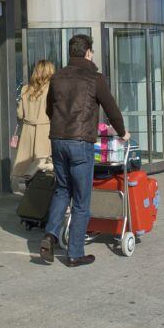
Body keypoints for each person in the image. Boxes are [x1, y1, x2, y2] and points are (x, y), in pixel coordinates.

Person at [39, 34, 128, 267]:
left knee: (61, 190)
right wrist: (122, 132)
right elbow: (111, 107)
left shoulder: (57, 77)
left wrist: (60, 127)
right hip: (81, 142)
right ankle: (75, 253)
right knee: (81, 199)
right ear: (88, 52)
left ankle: (50, 235)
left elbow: (50, 109)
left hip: (58, 140)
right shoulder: (94, 78)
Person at [12, 59, 54, 188]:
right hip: (45, 130)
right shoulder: (51, 88)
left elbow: (20, 114)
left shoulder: (25, 89)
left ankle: (30, 197)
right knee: (44, 165)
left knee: (29, 167)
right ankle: (43, 197)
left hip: (27, 132)